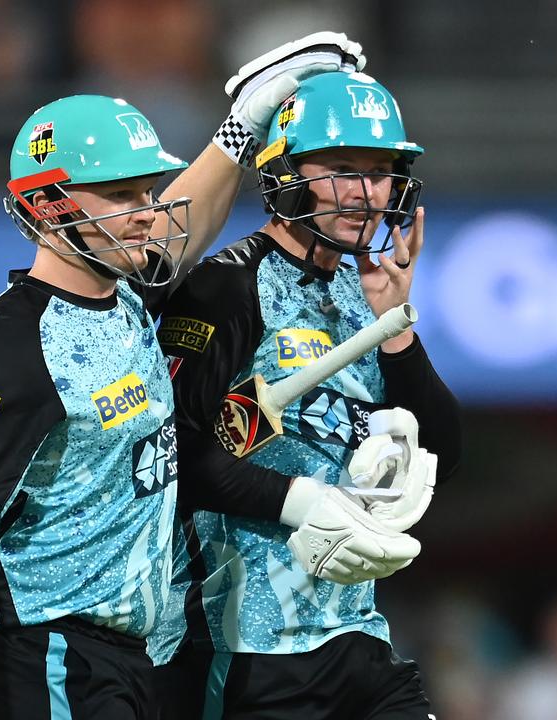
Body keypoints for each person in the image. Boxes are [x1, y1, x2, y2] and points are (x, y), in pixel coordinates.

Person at [0, 34, 368, 720]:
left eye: (147, 187)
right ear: (50, 209)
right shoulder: (12, 346)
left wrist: (243, 124)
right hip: (40, 653)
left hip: (125, 658)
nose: (146, 208)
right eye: (120, 193)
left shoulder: (126, 297)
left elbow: (183, 233)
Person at [152, 70, 463, 719]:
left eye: (380, 172)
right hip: (246, 648)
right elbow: (172, 457)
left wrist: (396, 330)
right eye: (343, 168)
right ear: (285, 170)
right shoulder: (226, 288)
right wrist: (299, 501)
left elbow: (446, 450)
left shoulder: (365, 286)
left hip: (358, 637)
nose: (365, 192)